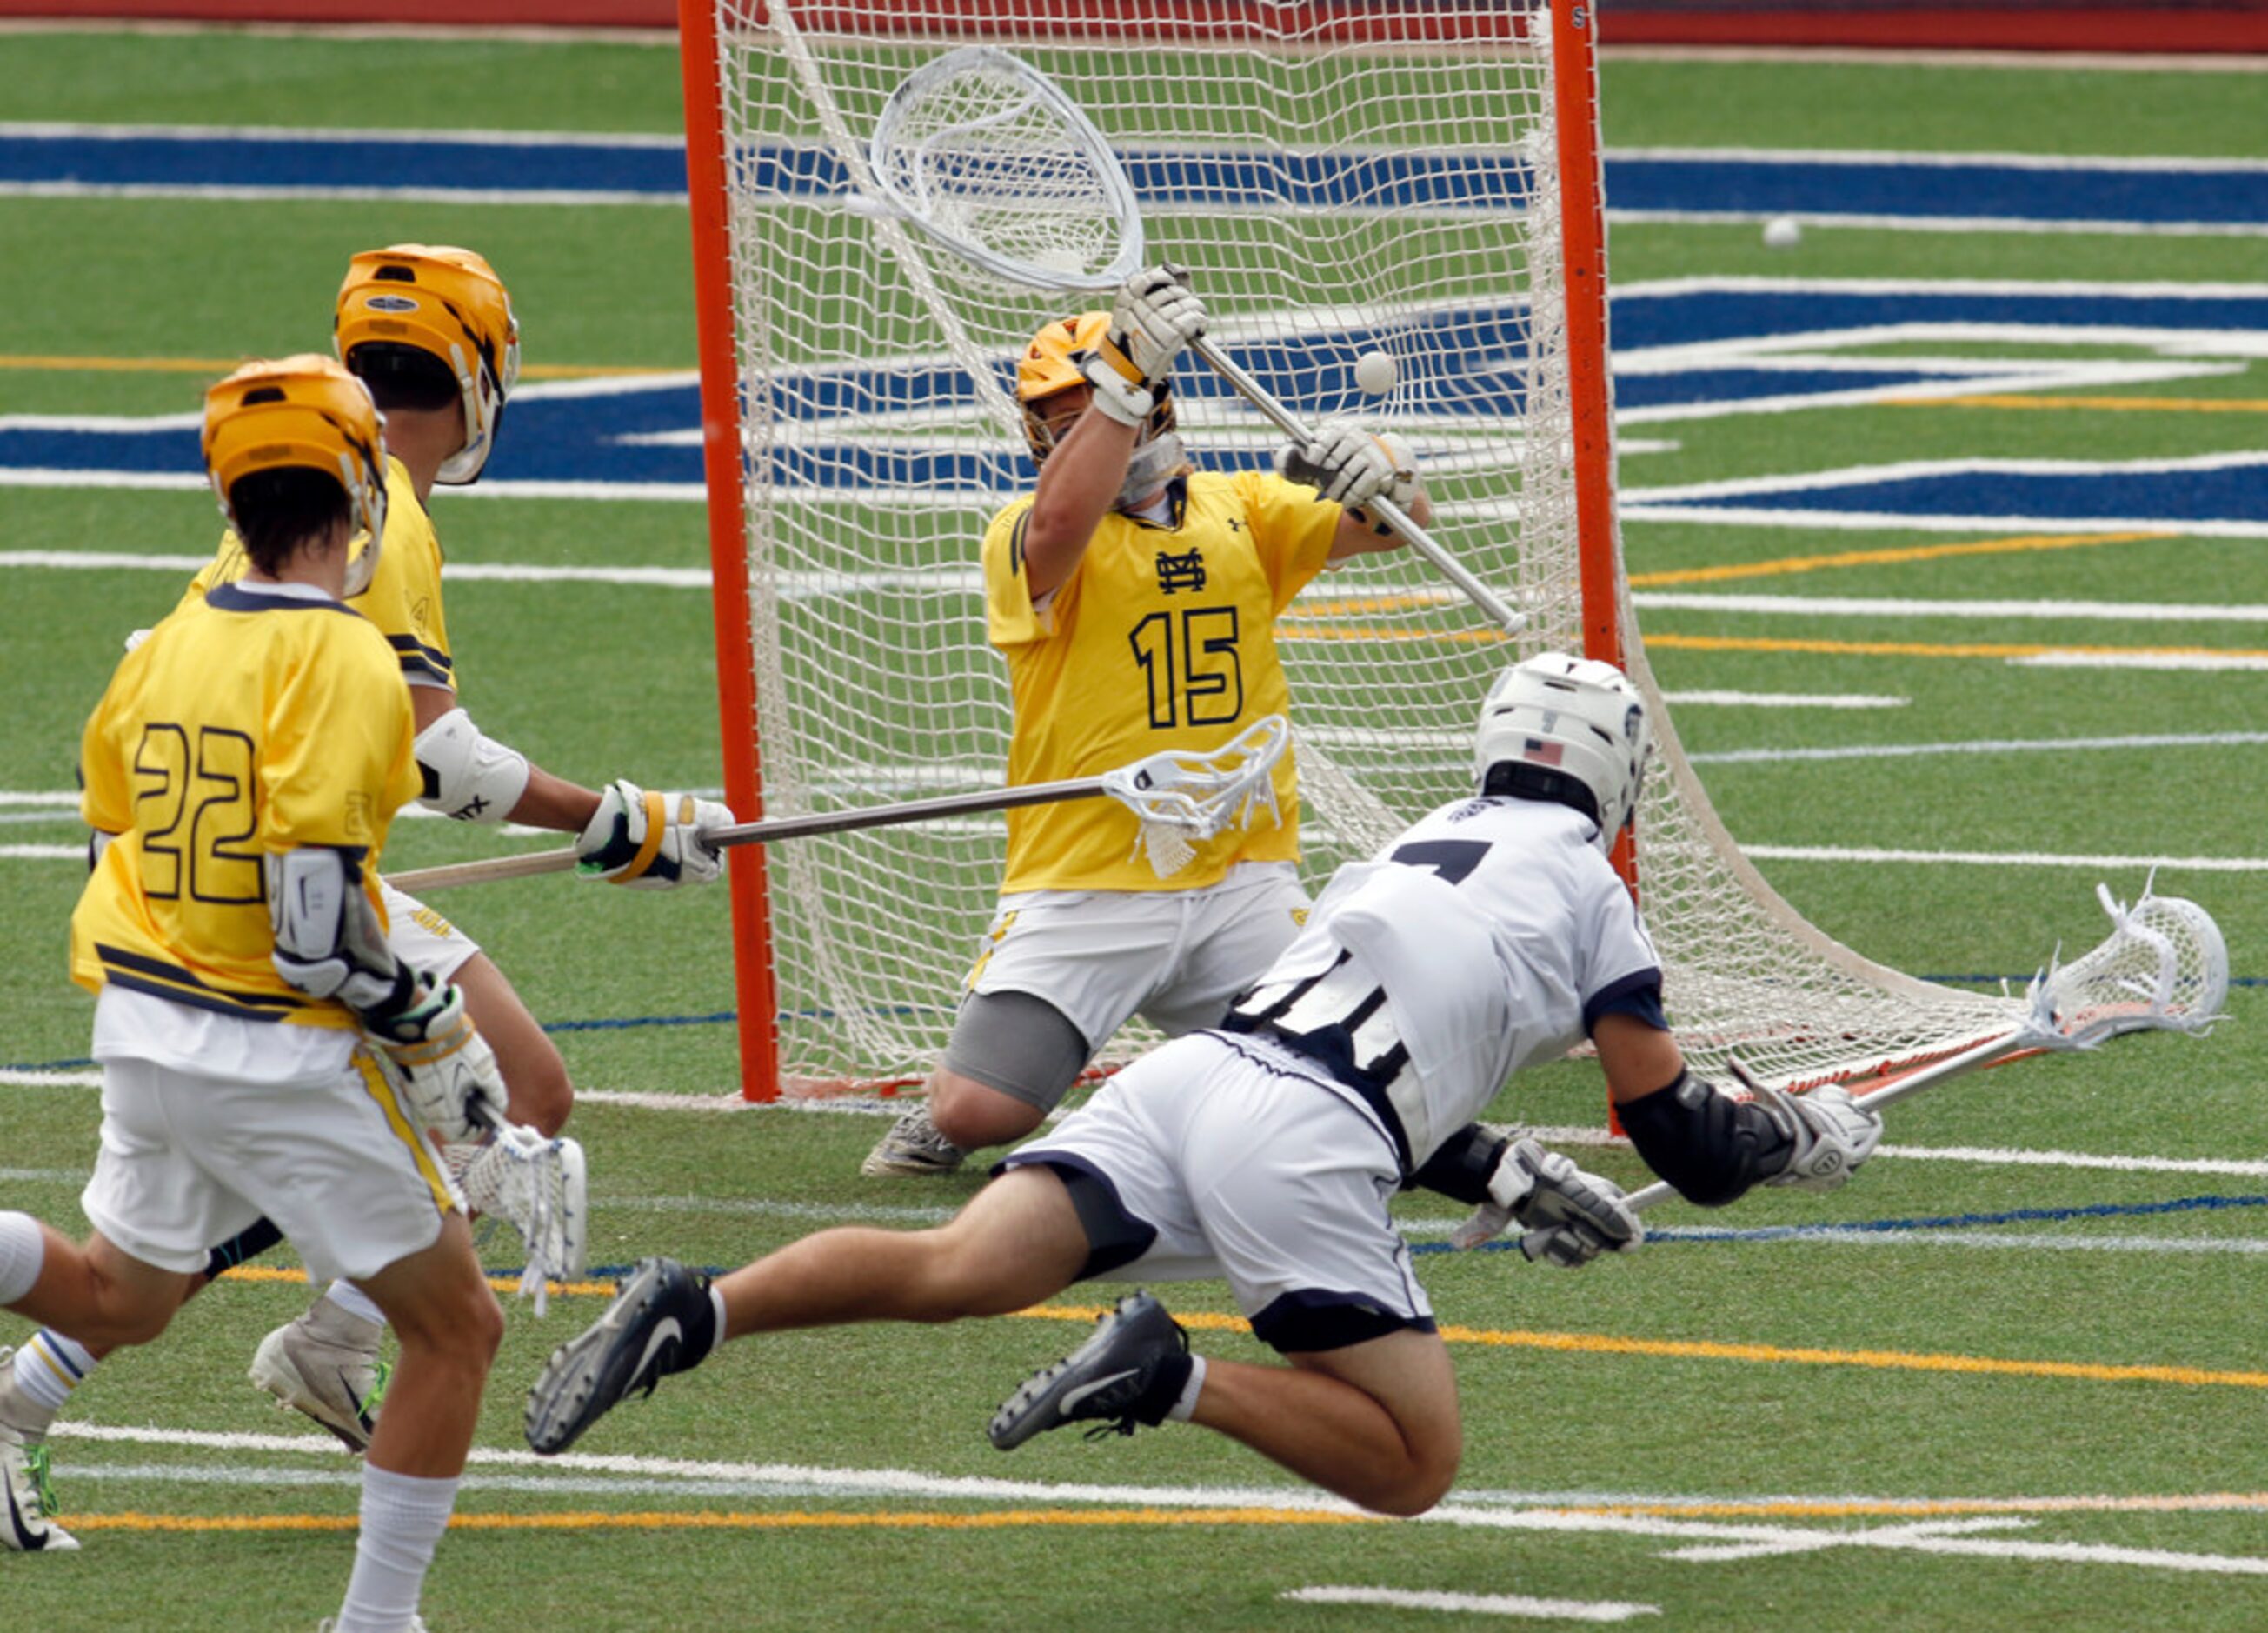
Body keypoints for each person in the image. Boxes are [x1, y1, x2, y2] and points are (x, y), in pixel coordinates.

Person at [522, 654, 1885, 1516]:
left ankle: (699, 1306)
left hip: (1188, 1080)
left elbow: (1352, 1036)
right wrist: (1797, 1132)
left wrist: (1501, 1167)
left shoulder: (1416, 841)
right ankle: (1171, 1374)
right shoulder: (1591, 888)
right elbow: (1686, 1142)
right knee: (1414, 1464)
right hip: (1298, 1134)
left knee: (957, 1266)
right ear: (1618, 780)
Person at [0, 245, 732, 1546]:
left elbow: (117, 776)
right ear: (482, 372)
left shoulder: (291, 504)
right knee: (451, 1114)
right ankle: (52, 1392)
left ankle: (325, 1338)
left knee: (500, 1095)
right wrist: (620, 818)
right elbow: (432, 750)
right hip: (272, 910)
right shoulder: (379, 501)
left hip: (191, 906)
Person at [0, 356, 504, 1628]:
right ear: (358, 487)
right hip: (269, 1047)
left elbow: (110, 829)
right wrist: (433, 1029)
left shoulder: (165, 640)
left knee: (123, 1296)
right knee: (458, 1329)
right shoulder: (342, 659)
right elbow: (317, 930)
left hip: (141, 1021)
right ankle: (376, 1621)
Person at [863, 262, 1429, 1177]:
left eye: (1086, 406)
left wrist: (1383, 467)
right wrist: (1118, 381)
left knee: (1373, 1088)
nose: (1074, 429)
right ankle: (945, 1113)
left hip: (1238, 876)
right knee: (979, 1108)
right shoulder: (1026, 530)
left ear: (1157, 401)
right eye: (1057, 418)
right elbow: (1059, 530)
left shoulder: (1239, 508)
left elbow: (1399, 523)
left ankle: (1193, 1082)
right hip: (1086, 878)